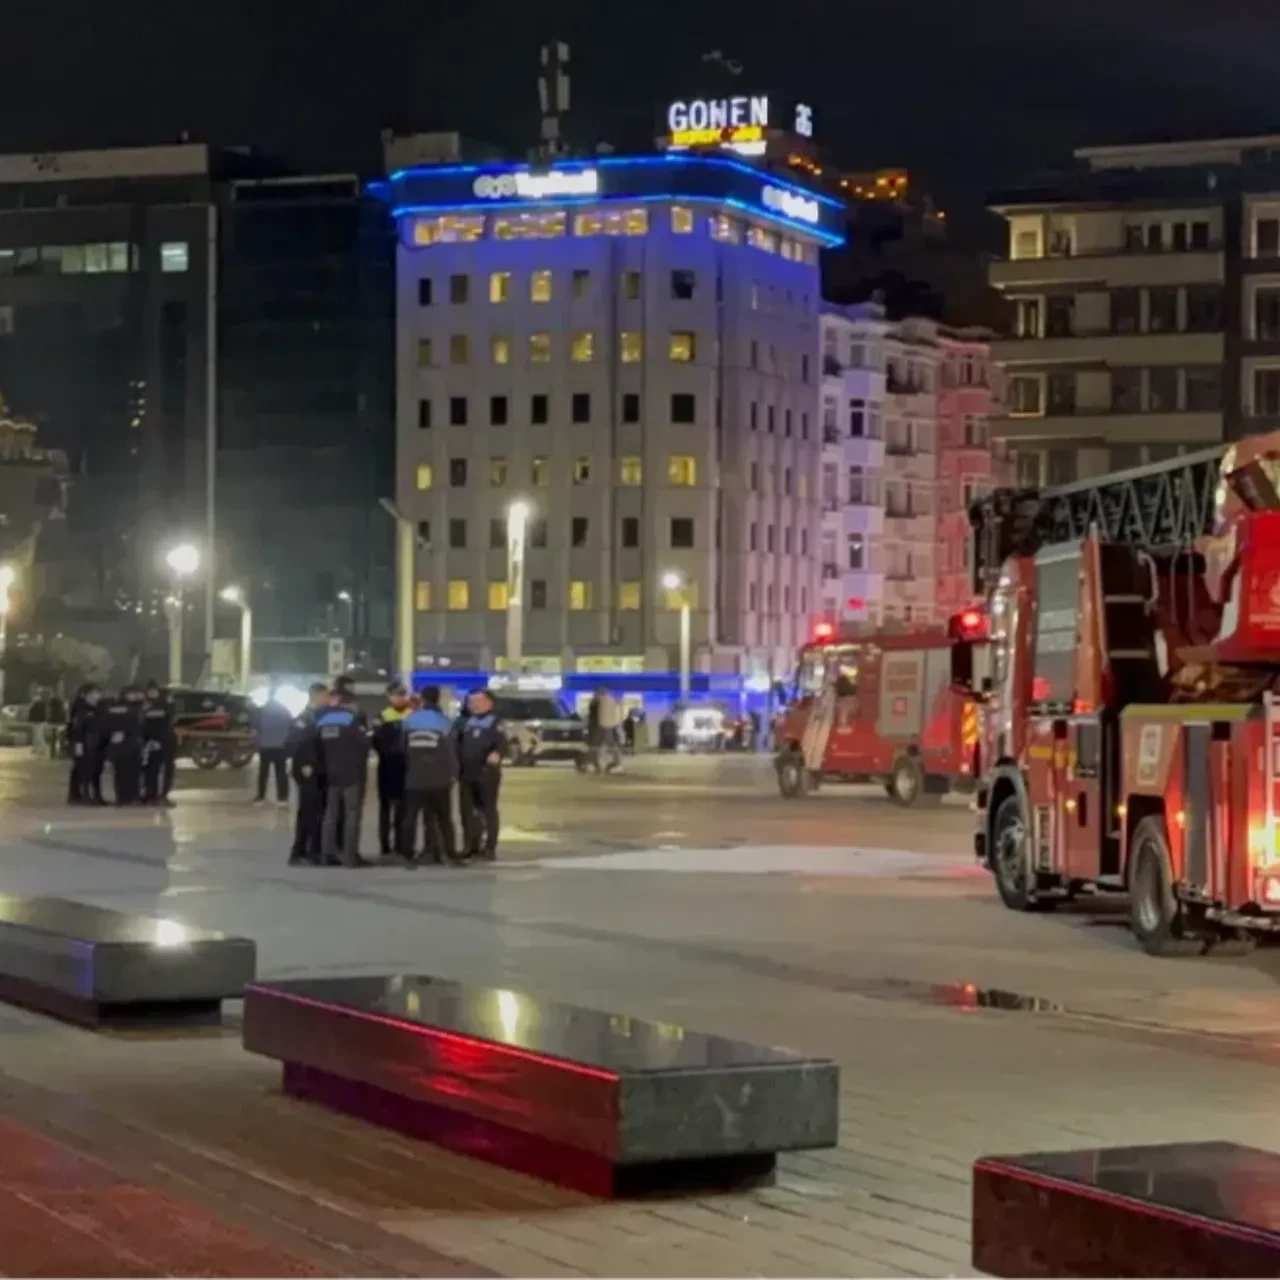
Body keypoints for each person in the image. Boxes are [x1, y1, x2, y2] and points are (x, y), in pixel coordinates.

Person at [401, 686, 459, 866]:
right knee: (444, 819)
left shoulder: (409, 720)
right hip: (439, 779)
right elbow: (451, 751)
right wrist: (453, 774)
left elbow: (402, 748)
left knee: (410, 817)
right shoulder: (445, 722)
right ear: (438, 699)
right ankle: (450, 854)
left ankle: (408, 855)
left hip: (415, 777)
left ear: (423, 700)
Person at [316, 684, 370, 867]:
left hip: (331, 774)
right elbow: (365, 743)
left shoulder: (322, 721)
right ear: (348, 703)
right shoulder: (350, 720)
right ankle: (349, 856)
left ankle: (326, 854)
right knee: (351, 815)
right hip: (351, 774)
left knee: (330, 815)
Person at [456, 689, 506, 860]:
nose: (474, 705)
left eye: (478, 701)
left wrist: (497, 754)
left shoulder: (495, 722)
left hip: (486, 773)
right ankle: (470, 845)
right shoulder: (467, 722)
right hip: (466, 773)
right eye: (471, 702)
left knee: (488, 810)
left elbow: (502, 743)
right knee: (467, 811)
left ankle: (489, 848)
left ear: (489, 703)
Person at [287, 682, 329, 866]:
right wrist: (306, 764)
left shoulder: (319, 716)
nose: (327, 700)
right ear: (317, 696)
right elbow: (296, 744)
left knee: (315, 810)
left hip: (317, 768)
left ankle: (310, 849)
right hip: (306, 769)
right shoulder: (304, 718)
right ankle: (304, 851)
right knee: (309, 810)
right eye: (325, 696)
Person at [373, 682, 412, 857]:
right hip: (387, 767)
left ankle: (401, 845)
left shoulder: (412, 714)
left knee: (403, 810)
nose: (399, 698)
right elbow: (375, 741)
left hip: (407, 767)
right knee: (385, 809)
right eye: (396, 695)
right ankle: (385, 846)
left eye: (402, 695)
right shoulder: (382, 715)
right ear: (389, 697)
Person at [101, 686, 145, 805]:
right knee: (131, 773)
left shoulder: (113, 707)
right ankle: (131, 797)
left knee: (120, 773)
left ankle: (122, 797)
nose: (136, 696)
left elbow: (107, 725)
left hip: (119, 744)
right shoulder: (133, 708)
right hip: (131, 743)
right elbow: (136, 726)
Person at [254, 688, 294, 806]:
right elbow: (291, 725)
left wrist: (258, 743)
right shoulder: (284, 710)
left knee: (263, 773)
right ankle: (282, 798)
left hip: (265, 746)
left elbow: (256, 727)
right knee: (281, 772)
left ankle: (261, 797)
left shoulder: (261, 710)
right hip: (280, 746)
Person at [66, 684, 104, 804]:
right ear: (86, 695)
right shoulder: (81, 709)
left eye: (98, 693)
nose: (96, 696)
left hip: (96, 745)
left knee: (95, 771)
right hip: (83, 745)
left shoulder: (99, 709)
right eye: (93, 694)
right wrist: (78, 745)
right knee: (83, 770)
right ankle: (80, 795)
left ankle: (96, 795)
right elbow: (76, 728)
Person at [141, 681, 176, 806]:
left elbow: (169, 723)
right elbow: (142, 726)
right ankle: (151, 795)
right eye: (150, 691)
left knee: (166, 770)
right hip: (150, 743)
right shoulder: (143, 705)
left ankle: (162, 795)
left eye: (154, 691)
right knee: (151, 771)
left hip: (165, 742)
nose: (152, 693)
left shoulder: (165, 705)